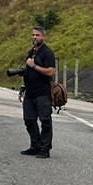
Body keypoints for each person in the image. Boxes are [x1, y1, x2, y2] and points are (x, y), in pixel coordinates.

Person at [18, 25, 57, 157]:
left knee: (45, 121)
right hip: (30, 93)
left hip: (42, 93)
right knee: (29, 119)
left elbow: (51, 72)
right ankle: (35, 145)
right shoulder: (31, 52)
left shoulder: (47, 53)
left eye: (37, 35)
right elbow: (28, 71)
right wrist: (23, 87)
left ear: (43, 37)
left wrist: (33, 65)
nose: (35, 37)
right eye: (33, 35)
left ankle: (45, 149)